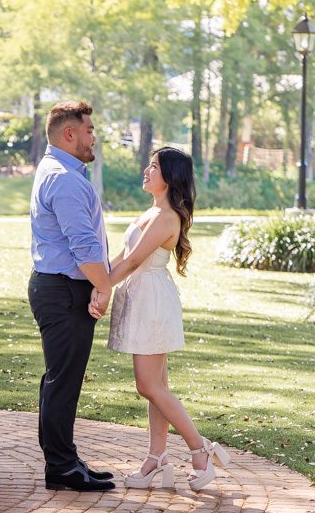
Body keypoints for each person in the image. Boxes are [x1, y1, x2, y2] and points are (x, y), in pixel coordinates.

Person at [93, 147, 230, 491]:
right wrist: (98, 281)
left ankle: (199, 450)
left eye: (153, 166)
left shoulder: (167, 216)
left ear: (169, 176)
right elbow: (122, 257)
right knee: (158, 388)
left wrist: (102, 289)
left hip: (152, 303)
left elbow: (134, 261)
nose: (146, 170)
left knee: (148, 385)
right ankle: (157, 458)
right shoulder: (152, 211)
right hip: (142, 298)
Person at [28, 100, 115, 492]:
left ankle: (64, 459)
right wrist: (104, 285)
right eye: (89, 130)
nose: (93, 137)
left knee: (60, 379)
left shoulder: (58, 171)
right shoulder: (63, 178)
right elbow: (83, 245)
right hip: (64, 291)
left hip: (59, 287)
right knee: (63, 382)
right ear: (70, 133)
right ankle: (61, 466)